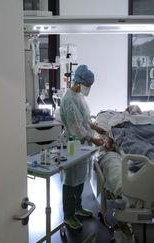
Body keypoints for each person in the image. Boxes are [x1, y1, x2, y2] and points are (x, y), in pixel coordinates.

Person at [59, 64, 106, 230]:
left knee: (80, 177)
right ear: (79, 82)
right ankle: (68, 215)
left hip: (83, 143)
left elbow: (84, 120)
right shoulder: (69, 99)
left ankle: (77, 208)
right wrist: (95, 140)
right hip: (73, 144)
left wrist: (96, 128)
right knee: (71, 180)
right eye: (89, 85)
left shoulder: (79, 96)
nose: (89, 89)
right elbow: (76, 128)